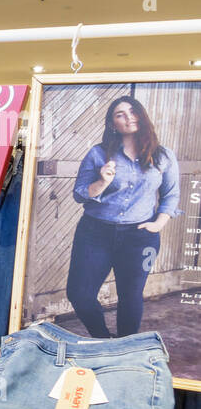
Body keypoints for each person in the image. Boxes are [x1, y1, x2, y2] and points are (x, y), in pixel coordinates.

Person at [66, 95, 181, 338]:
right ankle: (102, 339)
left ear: (141, 115)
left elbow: (171, 194)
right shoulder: (98, 154)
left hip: (140, 237)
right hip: (94, 233)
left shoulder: (163, 156)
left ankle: (124, 349)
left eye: (133, 111)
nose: (129, 117)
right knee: (80, 295)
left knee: (130, 296)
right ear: (112, 123)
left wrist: (158, 224)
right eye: (120, 114)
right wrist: (102, 182)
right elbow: (79, 194)